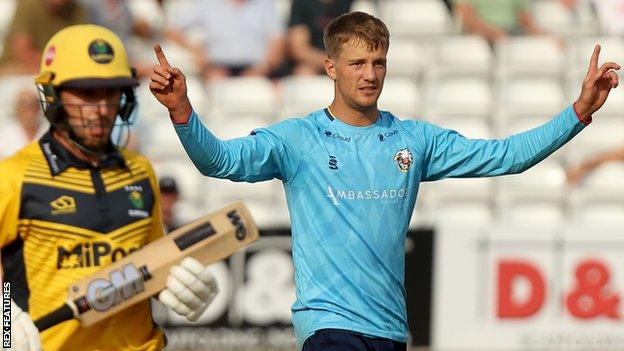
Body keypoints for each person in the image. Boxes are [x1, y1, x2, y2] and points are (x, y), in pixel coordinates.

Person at [149, 11, 619, 351]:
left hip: (391, 329)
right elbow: (220, 162)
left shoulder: (413, 140)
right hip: (328, 326)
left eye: (379, 62)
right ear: (330, 67)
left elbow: (506, 158)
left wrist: (577, 113)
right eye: (357, 64)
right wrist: (182, 112)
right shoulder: (298, 138)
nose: (370, 75)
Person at [0, 24, 218, 351]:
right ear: (52, 96)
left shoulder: (140, 172)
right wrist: (4, 318)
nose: (101, 109)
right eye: (87, 93)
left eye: (111, 92)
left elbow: (150, 264)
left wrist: (181, 286)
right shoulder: (14, 176)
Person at [166, 0, 286, 81]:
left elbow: (277, 40)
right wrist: (196, 51)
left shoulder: (265, 4)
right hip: (216, 70)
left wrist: (263, 70)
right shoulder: (207, 3)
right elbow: (172, 30)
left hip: (258, 71)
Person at [0, 0, 87, 74]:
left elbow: (82, 48)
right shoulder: (29, 6)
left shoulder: (77, 11)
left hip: (57, 71)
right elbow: (23, 52)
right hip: (17, 70)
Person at [288, 0, 353, 75]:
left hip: (344, 62)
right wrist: (334, 64)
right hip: (315, 63)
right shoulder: (302, 3)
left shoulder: (352, 3)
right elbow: (299, 51)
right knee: (303, 72)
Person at [453, 0, 548, 45]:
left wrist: (546, 38)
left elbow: (526, 20)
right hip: (481, 34)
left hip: (511, 33)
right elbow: (467, 17)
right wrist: (492, 31)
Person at [0, 90, 47, 159]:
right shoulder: (3, 136)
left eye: (34, 103)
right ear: (16, 108)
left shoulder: (51, 132)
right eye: (24, 104)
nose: (30, 109)